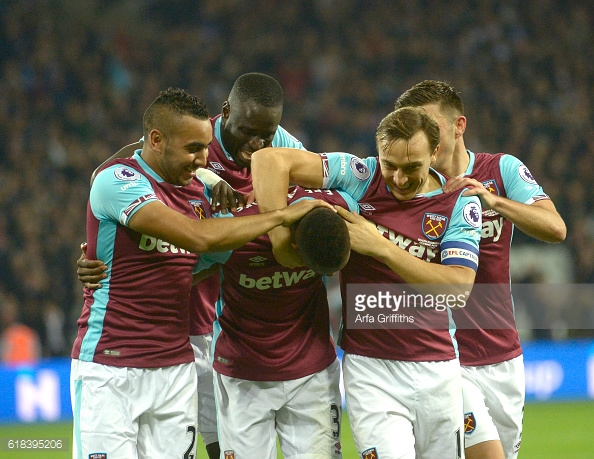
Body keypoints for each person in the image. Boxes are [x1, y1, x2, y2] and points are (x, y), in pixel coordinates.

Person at [70, 87, 330, 459]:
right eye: (193, 150)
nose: (203, 159)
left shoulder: (204, 196)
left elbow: (225, 251)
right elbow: (197, 238)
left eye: (205, 150)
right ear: (156, 141)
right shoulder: (119, 180)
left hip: (177, 363)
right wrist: (279, 215)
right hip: (111, 365)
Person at [251, 106, 483, 459]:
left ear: (435, 153)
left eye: (412, 168)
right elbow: (269, 161)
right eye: (390, 165)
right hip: (371, 371)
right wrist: (282, 242)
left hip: (438, 370)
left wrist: (381, 247)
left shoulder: (458, 203)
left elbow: (458, 290)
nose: (400, 179)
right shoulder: (361, 175)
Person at [394, 80, 567, 459]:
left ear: (459, 126)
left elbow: (556, 228)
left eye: (431, 126)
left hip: (503, 354)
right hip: (443, 356)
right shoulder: (410, 189)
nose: (424, 139)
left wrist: (495, 202)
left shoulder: (500, 170)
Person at [197, 187, 354, 458]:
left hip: (312, 375)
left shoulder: (339, 208)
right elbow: (176, 268)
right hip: (243, 377)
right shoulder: (233, 230)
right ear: (292, 245)